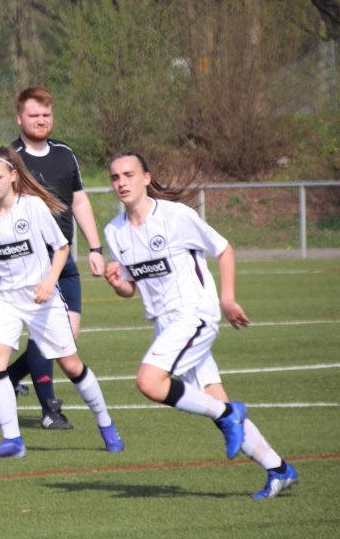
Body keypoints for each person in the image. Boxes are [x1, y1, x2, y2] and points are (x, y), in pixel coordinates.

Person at [103, 152, 297, 499]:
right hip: (165, 324)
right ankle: (279, 469)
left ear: (146, 178)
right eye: (115, 177)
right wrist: (116, 281)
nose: (122, 182)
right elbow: (129, 288)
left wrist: (228, 298)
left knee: (149, 382)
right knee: (212, 400)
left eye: (129, 175)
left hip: (193, 313)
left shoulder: (175, 216)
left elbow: (224, 249)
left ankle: (229, 414)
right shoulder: (114, 231)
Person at [0, 147, 123, 458]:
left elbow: (62, 247)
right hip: (5, 299)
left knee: (71, 365)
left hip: (41, 298)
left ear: (13, 175)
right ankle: (12, 440)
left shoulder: (32, 206)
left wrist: (48, 281)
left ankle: (106, 424)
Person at [0, 87, 106, 431]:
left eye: (46, 114)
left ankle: (9, 377)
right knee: (43, 339)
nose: (41, 120)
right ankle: (50, 409)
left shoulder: (65, 154)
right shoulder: (7, 160)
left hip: (62, 261)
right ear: (19, 117)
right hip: (27, 267)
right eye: (33, 114)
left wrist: (95, 248)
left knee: (64, 341)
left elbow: (79, 200)